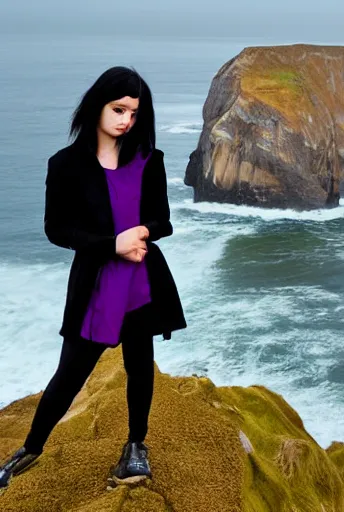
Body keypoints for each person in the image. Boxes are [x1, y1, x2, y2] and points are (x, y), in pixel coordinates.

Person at [0, 66, 187, 489]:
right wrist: (112, 244)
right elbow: (56, 230)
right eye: (119, 109)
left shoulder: (149, 160)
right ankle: (29, 449)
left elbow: (163, 222)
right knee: (70, 373)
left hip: (141, 281)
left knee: (141, 367)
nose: (126, 120)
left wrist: (142, 233)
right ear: (96, 105)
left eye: (135, 113)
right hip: (97, 285)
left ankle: (136, 446)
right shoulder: (65, 164)